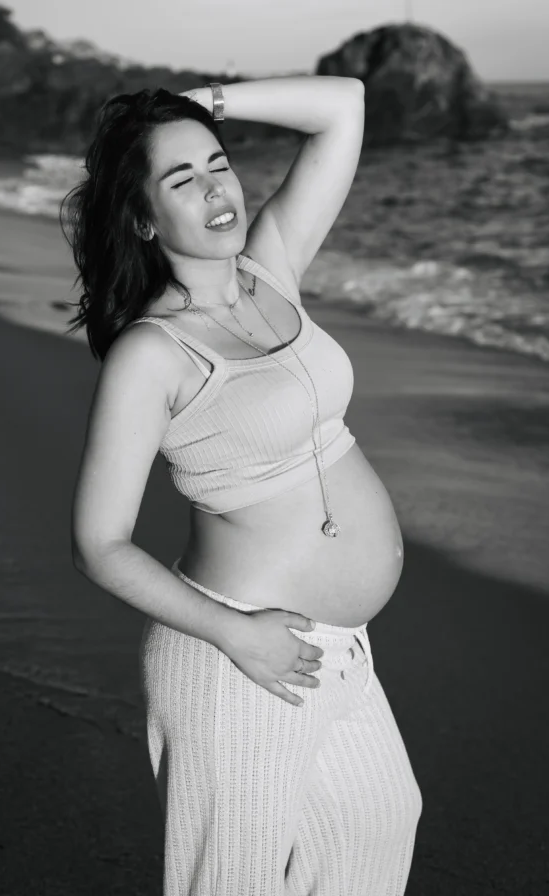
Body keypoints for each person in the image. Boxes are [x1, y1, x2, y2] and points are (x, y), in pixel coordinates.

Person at [64, 78, 422, 895]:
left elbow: (344, 107)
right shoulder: (152, 353)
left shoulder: (271, 271)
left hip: (336, 653)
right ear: (143, 218)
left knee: (374, 834)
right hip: (238, 659)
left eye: (217, 164)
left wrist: (201, 102)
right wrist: (236, 634)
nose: (215, 188)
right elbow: (98, 544)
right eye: (180, 179)